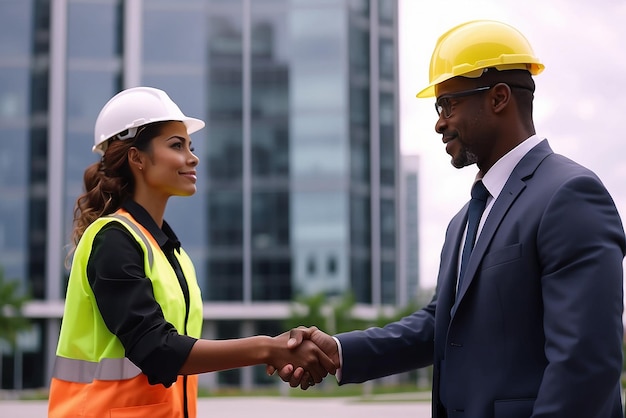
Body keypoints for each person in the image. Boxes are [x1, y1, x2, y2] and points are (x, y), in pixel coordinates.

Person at [270, 20, 626, 417]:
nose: (439, 122)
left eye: (447, 104)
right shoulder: (462, 222)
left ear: (498, 98)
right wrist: (338, 351)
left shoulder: (570, 195)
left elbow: (585, 364)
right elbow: (439, 324)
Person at [48, 87, 336, 418]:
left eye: (190, 146)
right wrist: (269, 349)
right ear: (137, 158)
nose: (192, 157)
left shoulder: (171, 253)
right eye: (176, 145)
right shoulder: (113, 240)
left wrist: (275, 349)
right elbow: (156, 350)